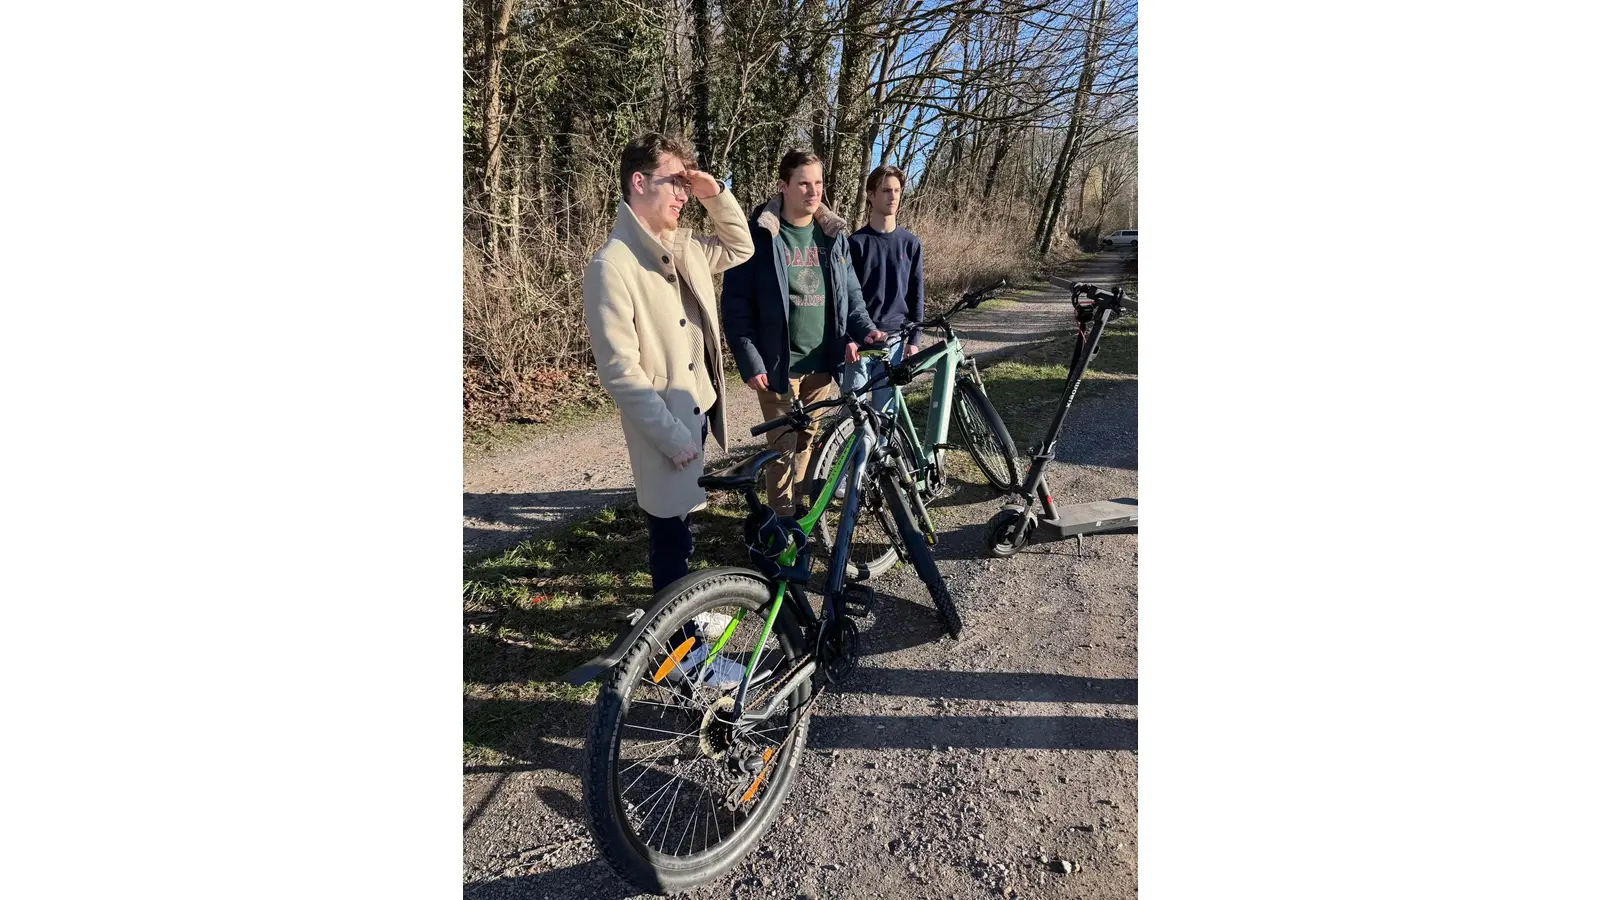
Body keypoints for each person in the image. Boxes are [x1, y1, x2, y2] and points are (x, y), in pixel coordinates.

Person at [582, 132, 754, 593]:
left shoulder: (686, 247)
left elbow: (742, 247)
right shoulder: (611, 266)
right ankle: (679, 653)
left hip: (695, 413)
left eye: (685, 183)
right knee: (669, 539)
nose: (682, 193)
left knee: (683, 529)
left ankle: (683, 625)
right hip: (665, 428)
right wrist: (671, 436)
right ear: (638, 182)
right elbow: (619, 371)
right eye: (673, 182)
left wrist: (713, 193)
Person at [722, 149, 886, 518]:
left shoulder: (831, 235)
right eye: (804, 184)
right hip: (778, 366)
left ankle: (799, 511)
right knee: (781, 448)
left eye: (819, 183)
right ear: (783, 187)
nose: (813, 192)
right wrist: (749, 360)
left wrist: (866, 331)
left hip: (821, 364)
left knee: (807, 439)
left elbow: (852, 296)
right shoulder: (759, 238)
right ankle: (781, 526)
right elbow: (735, 308)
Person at [843, 163, 924, 414]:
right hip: (861, 342)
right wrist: (848, 338)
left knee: (886, 417)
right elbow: (842, 296)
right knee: (851, 417)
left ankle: (883, 456)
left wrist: (914, 339)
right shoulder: (855, 244)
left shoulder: (911, 244)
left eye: (897, 191)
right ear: (870, 195)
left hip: (896, 342)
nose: (893, 197)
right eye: (886, 190)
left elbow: (916, 292)